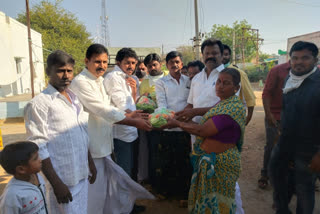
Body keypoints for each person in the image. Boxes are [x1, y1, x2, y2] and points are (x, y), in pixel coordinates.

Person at [70, 44, 153, 214]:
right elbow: (101, 109)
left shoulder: (99, 80)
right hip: (92, 147)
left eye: (104, 62)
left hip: (105, 142)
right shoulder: (81, 82)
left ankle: (123, 208)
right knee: (94, 193)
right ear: (87, 61)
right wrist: (132, 120)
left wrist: (132, 116)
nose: (101, 66)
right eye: (97, 62)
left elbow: (111, 108)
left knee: (107, 187)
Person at [164, 68, 246, 213]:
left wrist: (177, 124)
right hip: (211, 162)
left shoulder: (231, 108)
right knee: (212, 204)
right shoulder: (223, 104)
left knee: (221, 205)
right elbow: (203, 127)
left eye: (226, 83)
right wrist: (188, 117)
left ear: (236, 88)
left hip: (221, 164)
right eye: (218, 82)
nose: (220, 86)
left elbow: (202, 131)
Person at [24, 50, 96, 214]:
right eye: (60, 71)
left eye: (69, 71)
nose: (66, 76)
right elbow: (39, 147)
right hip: (63, 180)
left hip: (81, 174)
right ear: (48, 72)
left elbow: (82, 134)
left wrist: (90, 163)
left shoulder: (75, 98)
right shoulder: (39, 104)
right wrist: (56, 184)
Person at [269, 41, 320, 214]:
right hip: (285, 144)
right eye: (295, 58)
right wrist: (280, 132)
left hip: (309, 150)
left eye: (305, 58)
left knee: (304, 190)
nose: (299, 62)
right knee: (277, 179)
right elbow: (287, 108)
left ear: (315, 59)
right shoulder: (290, 79)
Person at [154, 51, 192, 204]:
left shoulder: (189, 81)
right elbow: (162, 104)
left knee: (184, 161)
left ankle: (184, 194)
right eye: (171, 62)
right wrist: (172, 118)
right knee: (166, 161)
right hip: (168, 126)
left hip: (185, 126)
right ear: (166, 65)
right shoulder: (161, 82)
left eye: (177, 62)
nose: (174, 65)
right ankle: (165, 191)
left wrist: (183, 119)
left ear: (181, 64)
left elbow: (191, 101)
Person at [104, 48, 139, 178]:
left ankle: (128, 198)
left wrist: (134, 90)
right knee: (123, 173)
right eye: (127, 63)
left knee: (129, 170)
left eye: (133, 63)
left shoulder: (128, 78)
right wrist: (141, 118)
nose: (131, 66)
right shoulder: (114, 77)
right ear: (118, 63)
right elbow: (122, 106)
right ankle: (123, 198)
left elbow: (131, 103)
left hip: (131, 131)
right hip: (121, 133)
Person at [258, 61, 290, 189]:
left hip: (297, 118)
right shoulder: (277, 70)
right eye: (296, 57)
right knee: (272, 146)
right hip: (276, 116)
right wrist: (269, 114)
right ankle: (265, 174)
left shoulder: (313, 73)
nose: (300, 61)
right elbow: (267, 93)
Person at [0, 141, 47, 214]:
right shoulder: (12, 196)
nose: (40, 160)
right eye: (35, 158)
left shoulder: (37, 177)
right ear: (21, 169)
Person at [222, 44, 256, 125]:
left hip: (234, 116)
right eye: (221, 54)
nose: (223, 57)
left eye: (226, 54)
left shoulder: (239, 73)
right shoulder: (213, 72)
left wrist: (248, 118)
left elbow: (249, 97)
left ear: (230, 56)